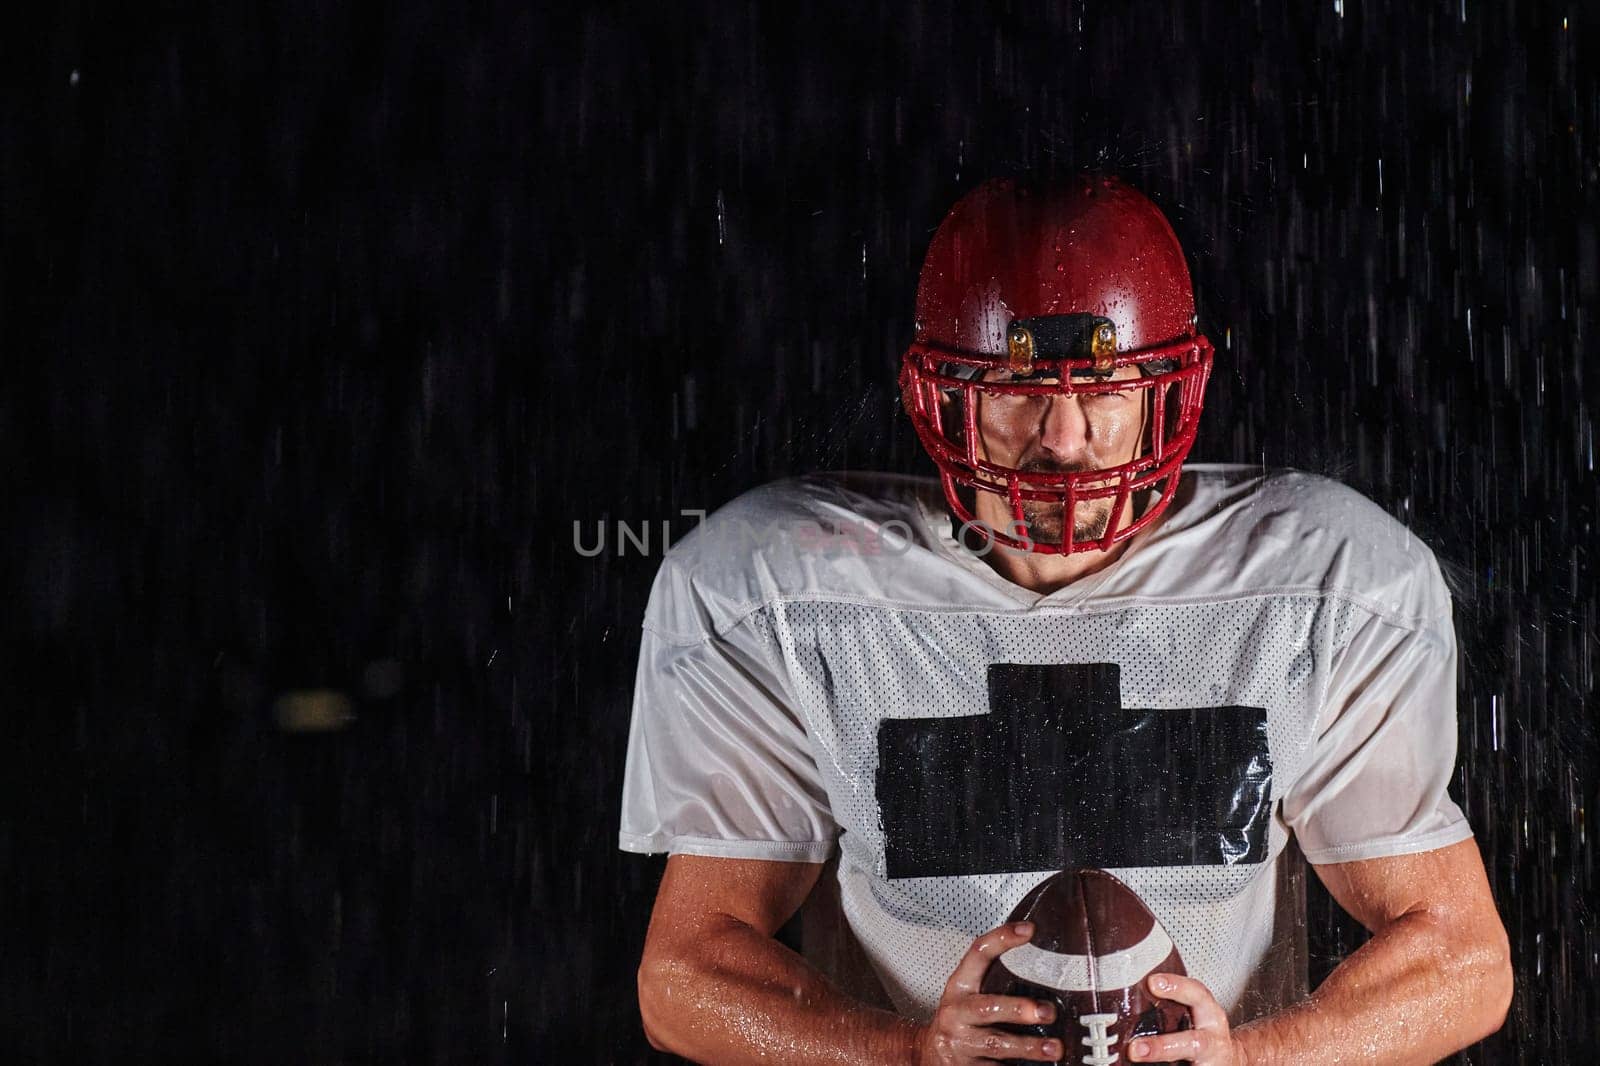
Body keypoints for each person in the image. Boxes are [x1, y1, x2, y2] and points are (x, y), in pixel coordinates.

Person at [619, 175, 1512, 1064]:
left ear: (1170, 390)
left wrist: (1255, 1060)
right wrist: (905, 1055)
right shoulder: (782, 592)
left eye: (1105, 388)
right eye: (1017, 389)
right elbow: (684, 976)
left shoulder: (1325, 587)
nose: (1063, 438)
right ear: (941, 394)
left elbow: (1464, 960)